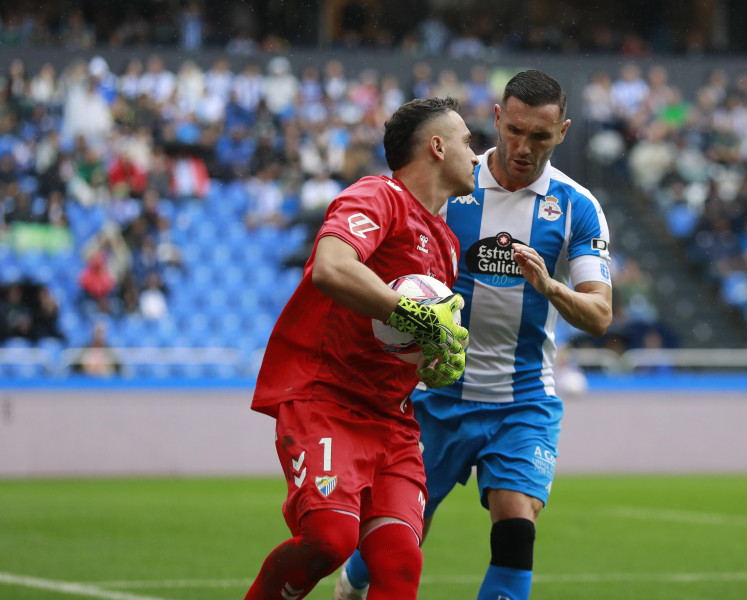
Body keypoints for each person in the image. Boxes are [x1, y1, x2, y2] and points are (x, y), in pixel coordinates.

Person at [337, 70, 613, 600]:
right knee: (399, 537)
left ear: (564, 133)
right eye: (514, 130)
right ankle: (353, 582)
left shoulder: (577, 207)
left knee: (516, 526)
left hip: (523, 399)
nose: (523, 146)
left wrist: (550, 286)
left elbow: (599, 315)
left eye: (540, 136)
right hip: (436, 394)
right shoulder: (452, 186)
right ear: (495, 119)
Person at [245, 96, 478, 600]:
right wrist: (408, 312)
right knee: (330, 541)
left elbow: (413, 343)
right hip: (326, 400)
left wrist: (434, 361)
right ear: (436, 147)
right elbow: (331, 267)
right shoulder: (378, 196)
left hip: (391, 420)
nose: (476, 155)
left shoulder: (448, 245)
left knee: (399, 562)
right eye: (466, 142)